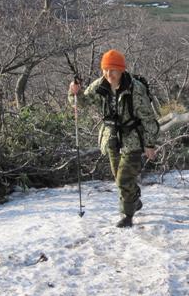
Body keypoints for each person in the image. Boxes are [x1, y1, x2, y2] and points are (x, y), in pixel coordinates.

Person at [68, 49, 159, 228]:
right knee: (119, 177)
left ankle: (127, 215)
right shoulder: (99, 85)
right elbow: (82, 104)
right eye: (106, 70)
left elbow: (148, 118)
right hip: (111, 137)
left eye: (113, 70)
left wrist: (149, 144)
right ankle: (134, 200)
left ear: (122, 70)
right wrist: (75, 93)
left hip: (132, 137)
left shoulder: (135, 89)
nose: (109, 74)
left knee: (123, 179)